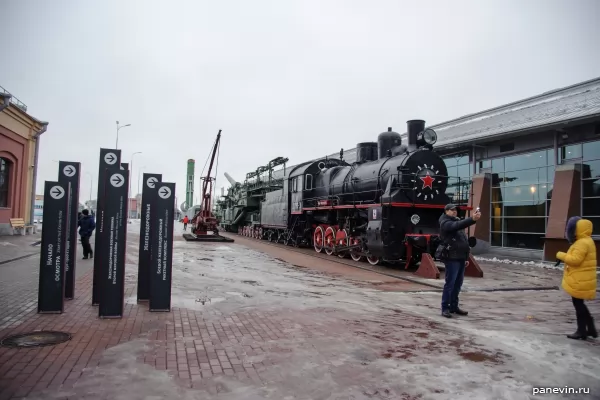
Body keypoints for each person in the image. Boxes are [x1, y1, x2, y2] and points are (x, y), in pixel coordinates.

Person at [556, 216, 597, 340]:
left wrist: (560, 255)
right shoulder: (587, 241)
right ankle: (590, 328)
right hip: (582, 278)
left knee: (578, 304)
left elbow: (575, 260)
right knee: (580, 304)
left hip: (580, 279)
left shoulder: (582, 243)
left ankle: (582, 330)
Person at [438, 204, 481, 318]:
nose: (454, 212)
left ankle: (454, 306)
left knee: (458, 284)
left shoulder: (456, 221)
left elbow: (463, 241)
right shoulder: (445, 222)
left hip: (460, 257)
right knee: (450, 283)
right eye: (451, 210)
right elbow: (456, 226)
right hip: (451, 257)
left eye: (455, 210)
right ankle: (445, 308)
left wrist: (466, 257)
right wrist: (472, 219)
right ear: (446, 211)